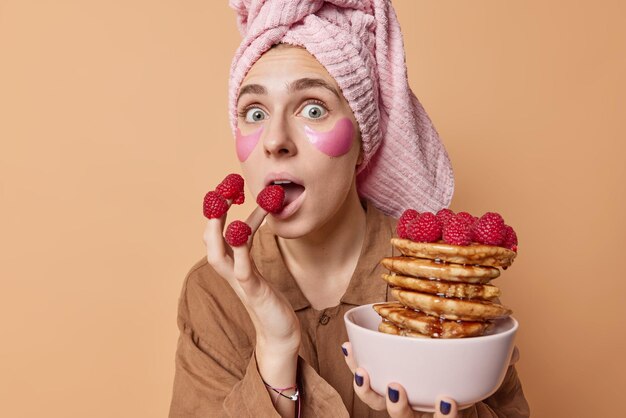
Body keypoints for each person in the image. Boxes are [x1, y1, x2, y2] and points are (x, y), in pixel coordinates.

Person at [168, 1, 530, 417]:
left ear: (363, 144)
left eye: (313, 108)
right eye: (255, 112)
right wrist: (276, 351)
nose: (274, 140)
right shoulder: (213, 293)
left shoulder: (440, 281)